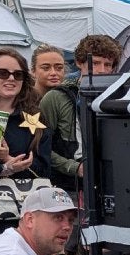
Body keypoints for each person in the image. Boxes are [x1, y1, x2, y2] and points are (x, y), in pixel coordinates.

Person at [40, 35, 121, 196]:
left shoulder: (118, 97)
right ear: (79, 62)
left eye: (108, 65)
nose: (102, 70)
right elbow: (41, 147)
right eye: (95, 63)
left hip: (109, 182)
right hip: (68, 187)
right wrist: (73, 167)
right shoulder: (56, 97)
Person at [0, 48, 52, 233]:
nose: (10, 79)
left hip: (19, 218)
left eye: (17, 74)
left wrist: (11, 162)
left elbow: (45, 168)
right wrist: (3, 168)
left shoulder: (34, 118)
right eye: (2, 73)